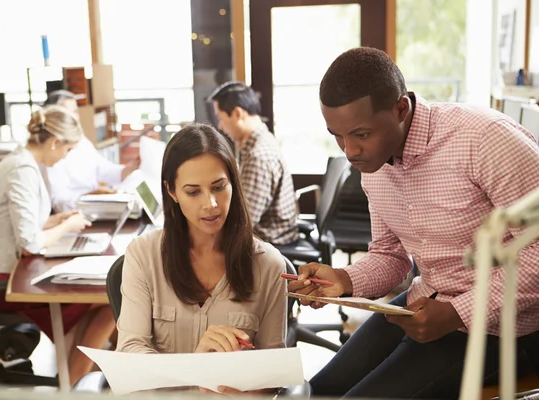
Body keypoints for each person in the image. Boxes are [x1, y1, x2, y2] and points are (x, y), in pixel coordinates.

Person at [288, 47, 539, 399]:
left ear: (401, 109)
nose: (349, 151)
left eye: (360, 134)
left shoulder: (484, 140)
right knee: (318, 392)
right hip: (426, 302)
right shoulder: (373, 168)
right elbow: (391, 256)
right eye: (337, 136)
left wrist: (456, 313)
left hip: (510, 329)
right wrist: (345, 279)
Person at [116, 123, 287, 395]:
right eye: (193, 192)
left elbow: (271, 377)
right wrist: (195, 367)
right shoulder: (143, 255)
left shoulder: (269, 265)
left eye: (219, 187)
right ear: (171, 191)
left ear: (233, 182)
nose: (211, 204)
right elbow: (129, 352)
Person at [0, 106, 116, 386]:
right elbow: (29, 243)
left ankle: (74, 375)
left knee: (103, 301)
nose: (65, 156)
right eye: (68, 150)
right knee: (108, 301)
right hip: (5, 283)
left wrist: (53, 220)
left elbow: (21, 225)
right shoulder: (22, 171)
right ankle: (73, 379)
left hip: (12, 272)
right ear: (54, 142)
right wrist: (67, 226)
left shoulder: (21, 163)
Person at [208, 82, 299, 246]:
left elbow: (244, 221)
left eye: (220, 118)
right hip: (267, 232)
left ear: (237, 114)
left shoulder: (258, 156)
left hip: (270, 241)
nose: (220, 126)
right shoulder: (257, 141)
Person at [42, 90, 142, 212]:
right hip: (78, 212)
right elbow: (60, 205)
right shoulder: (52, 153)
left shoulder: (82, 141)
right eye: (68, 113)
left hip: (94, 207)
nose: (74, 118)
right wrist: (91, 196)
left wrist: (130, 168)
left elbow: (104, 170)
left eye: (75, 112)